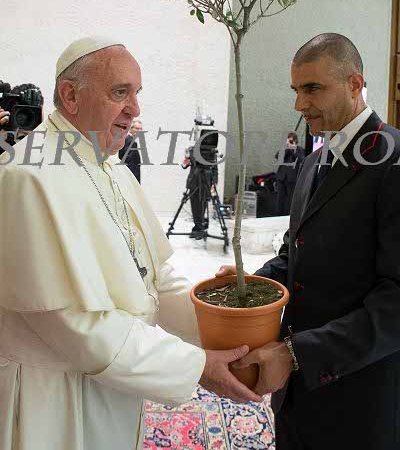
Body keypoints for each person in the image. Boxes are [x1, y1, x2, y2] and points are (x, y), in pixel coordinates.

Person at [0, 36, 261, 450]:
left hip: (118, 383)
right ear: (70, 95)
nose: (135, 109)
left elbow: (153, 278)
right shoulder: (26, 177)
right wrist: (195, 366)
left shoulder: (111, 166)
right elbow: (74, 326)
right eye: (120, 92)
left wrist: (223, 321)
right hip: (53, 401)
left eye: (137, 93)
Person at [217, 33, 400, 450]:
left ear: (355, 84)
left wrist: (298, 354)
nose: (299, 104)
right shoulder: (314, 161)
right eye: (296, 90)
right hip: (296, 398)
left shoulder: (392, 161)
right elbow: (294, 255)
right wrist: (252, 284)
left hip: (359, 401)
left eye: (313, 88)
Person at [275, 131, 305, 215]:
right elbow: (277, 156)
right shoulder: (285, 149)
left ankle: (289, 215)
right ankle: (278, 215)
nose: (289, 143)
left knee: (290, 199)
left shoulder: (300, 149)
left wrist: (293, 150)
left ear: (295, 141)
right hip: (281, 177)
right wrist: (286, 149)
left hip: (292, 179)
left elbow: (302, 160)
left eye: (291, 141)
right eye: (288, 141)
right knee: (280, 198)